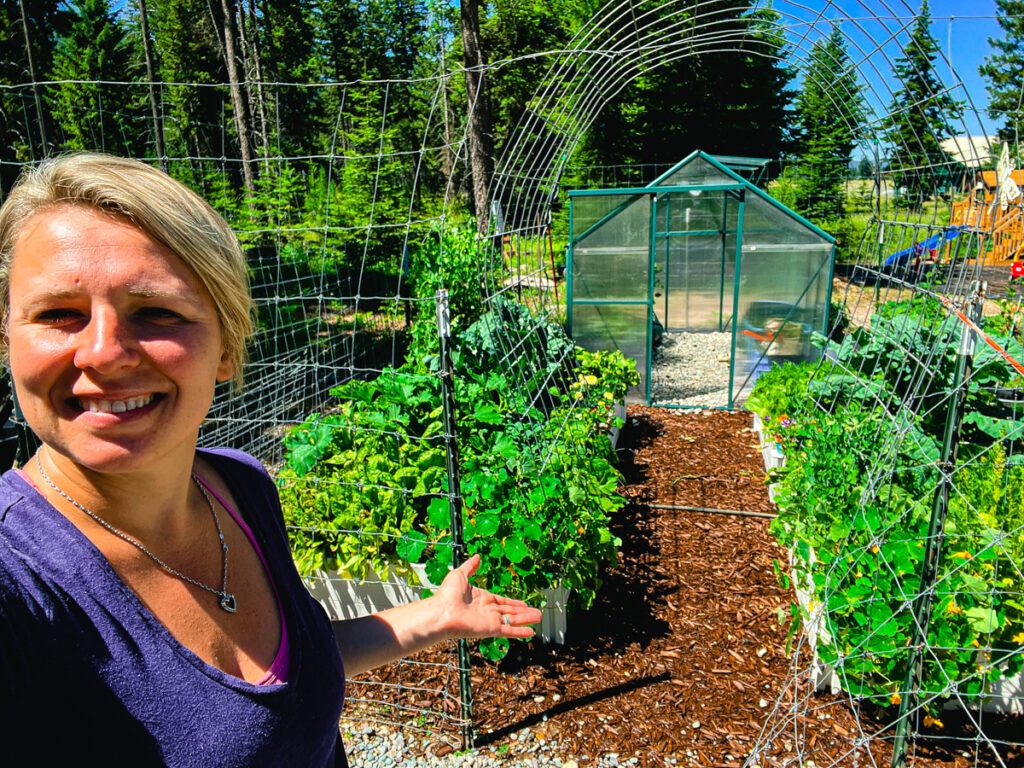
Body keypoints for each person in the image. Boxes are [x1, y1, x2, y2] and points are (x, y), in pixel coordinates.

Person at [0, 153, 541, 766]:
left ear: (226, 350)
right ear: (7, 339)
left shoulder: (239, 485)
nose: (103, 352)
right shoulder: (20, 585)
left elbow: (298, 667)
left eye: (156, 312)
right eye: (57, 314)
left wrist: (433, 618)